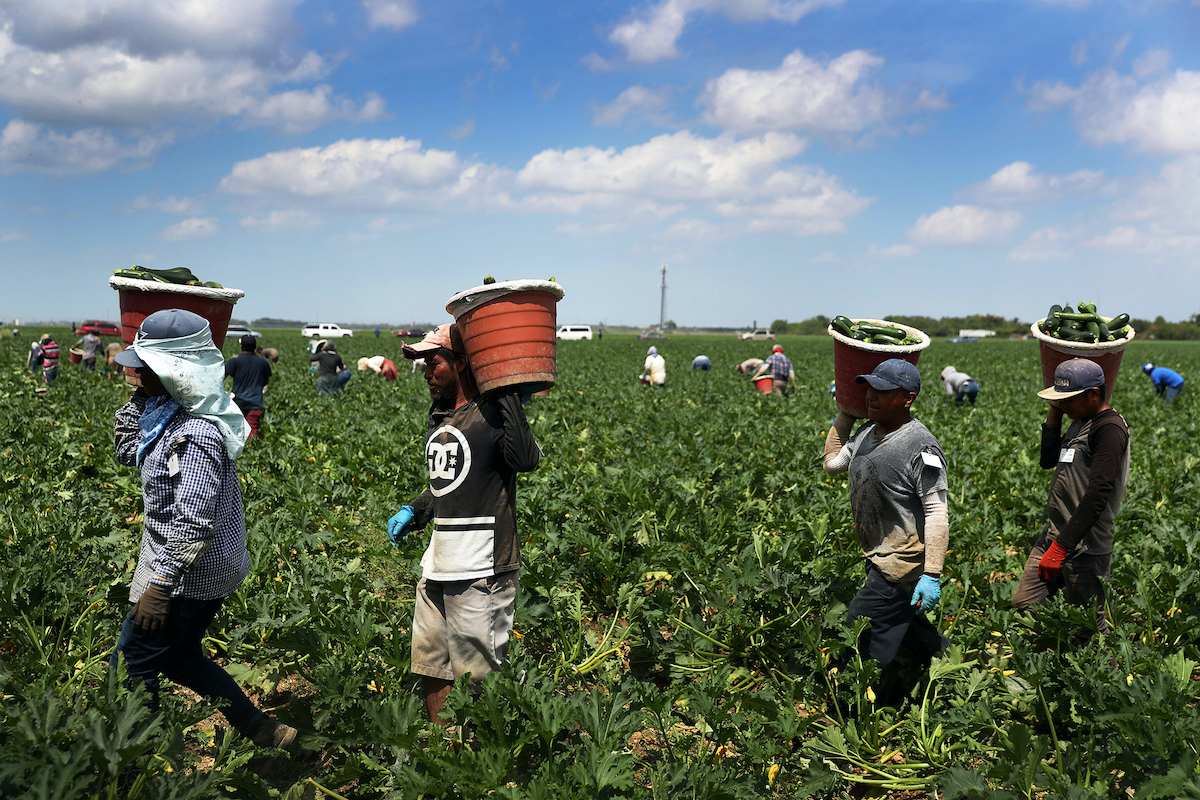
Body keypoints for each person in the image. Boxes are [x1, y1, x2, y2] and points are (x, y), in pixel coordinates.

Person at [109, 309, 295, 750]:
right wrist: (138, 398)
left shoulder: (196, 432)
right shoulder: (165, 412)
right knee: (180, 657)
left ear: (175, 371)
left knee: (132, 661)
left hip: (190, 570)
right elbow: (125, 450)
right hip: (200, 566)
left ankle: (137, 765)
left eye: (144, 366)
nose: (134, 372)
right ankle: (265, 732)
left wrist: (160, 587)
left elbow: (192, 521)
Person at [387, 323, 541, 722]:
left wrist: (505, 392)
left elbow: (526, 459)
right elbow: (446, 485)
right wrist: (416, 509)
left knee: (479, 679)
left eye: (432, 362)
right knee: (430, 663)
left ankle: (485, 767)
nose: (425, 373)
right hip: (438, 563)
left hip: (482, 568)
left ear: (462, 363)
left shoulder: (491, 414)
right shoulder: (441, 416)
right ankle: (444, 750)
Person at [823, 358, 949, 705]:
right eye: (869, 388)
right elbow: (833, 464)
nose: (871, 397)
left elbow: (937, 512)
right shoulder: (866, 431)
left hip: (901, 561)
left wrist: (932, 574)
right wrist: (846, 415)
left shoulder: (920, 446)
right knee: (906, 625)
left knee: (861, 627)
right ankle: (951, 667)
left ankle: (854, 708)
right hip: (878, 552)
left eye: (883, 391)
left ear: (907, 398)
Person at [1012, 359, 1129, 641]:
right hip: (1055, 534)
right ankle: (1061, 661)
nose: (1064, 405)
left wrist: (1062, 548)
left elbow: (1099, 492)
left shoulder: (1109, 429)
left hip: (1084, 545)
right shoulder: (1080, 420)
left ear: (1094, 394)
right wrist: (1056, 409)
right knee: (1025, 602)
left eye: (1069, 399)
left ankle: (1106, 681)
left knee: (1089, 625)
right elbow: (1048, 459)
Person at [225, 335, 272, 440]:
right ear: (255, 347)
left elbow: (222, 376)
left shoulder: (234, 360)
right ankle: (253, 453)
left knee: (236, 431)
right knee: (252, 430)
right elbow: (266, 380)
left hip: (238, 402)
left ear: (241, 346)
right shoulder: (263, 362)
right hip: (255, 402)